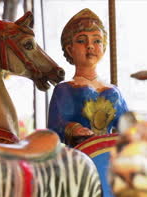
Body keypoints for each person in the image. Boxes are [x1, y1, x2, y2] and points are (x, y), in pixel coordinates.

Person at [48, 8, 128, 147]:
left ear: (103, 47)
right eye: (81, 41)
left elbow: (127, 125)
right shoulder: (65, 89)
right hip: (80, 154)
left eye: (97, 40)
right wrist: (73, 128)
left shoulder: (114, 91)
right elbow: (55, 125)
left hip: (108, 153)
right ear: (69, 49)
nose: (90, 46)